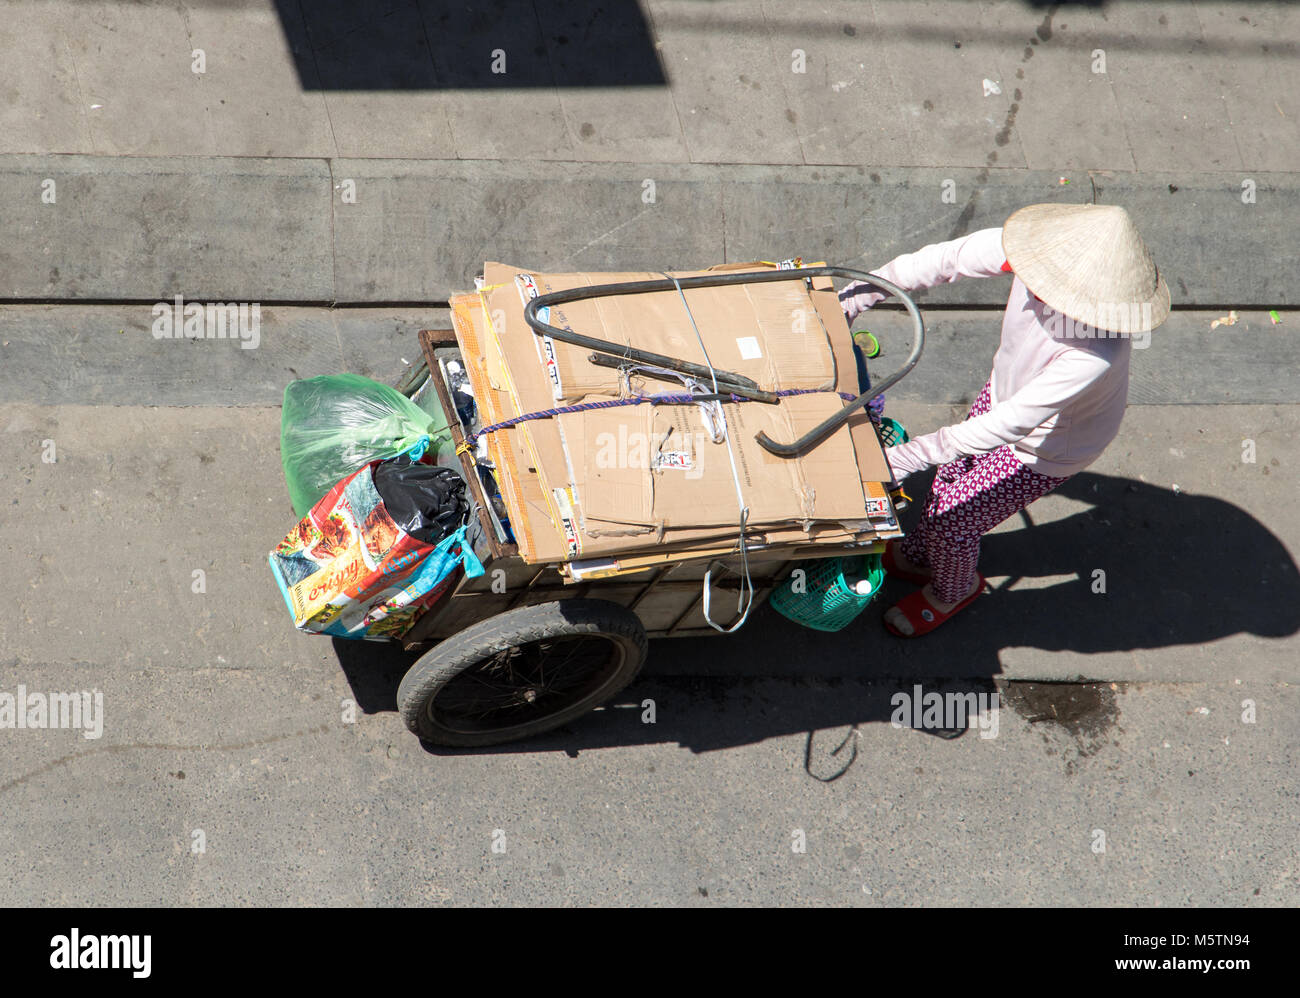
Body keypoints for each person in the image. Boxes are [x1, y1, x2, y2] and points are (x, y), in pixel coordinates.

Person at [838, 203, 1170, 637]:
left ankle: (952, 590)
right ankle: (918, 554)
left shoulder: (1093, 356)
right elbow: (942, 261)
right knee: (945, 481)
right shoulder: (1033, 257)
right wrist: (855, 299)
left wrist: (902, 457)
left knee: (953, 525)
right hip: (1003, 398)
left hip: (1043, 448)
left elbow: (1009, 427)